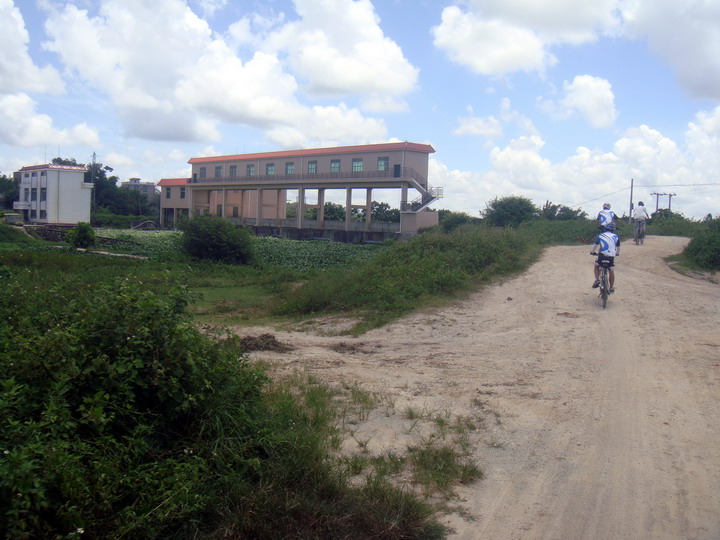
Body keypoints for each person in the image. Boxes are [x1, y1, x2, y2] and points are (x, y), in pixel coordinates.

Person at [591, 223, 620, 293]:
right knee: (611, 270)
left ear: (605, 229)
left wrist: (592, 252)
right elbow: (618, 248)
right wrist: (617, 254)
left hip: (602, 255)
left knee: (596, 266)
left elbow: (595, 246)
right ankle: (611, 287)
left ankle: (597, 280)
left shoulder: (600, 235)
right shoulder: (616, 237)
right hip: (611, 257)